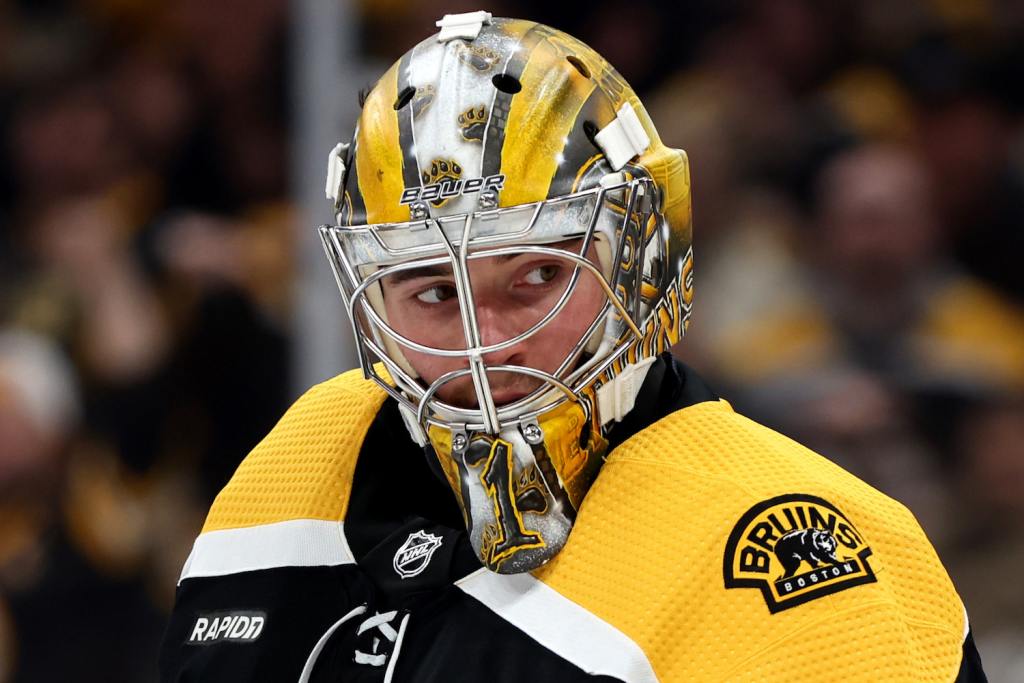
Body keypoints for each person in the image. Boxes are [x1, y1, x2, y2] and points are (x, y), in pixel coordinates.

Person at [159, 13, 986, 682]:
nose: (485, 341)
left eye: (533, 278)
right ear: (370, 295)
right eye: (434, 292)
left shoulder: (789, 548)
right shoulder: (297, 465)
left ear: (640, 262)